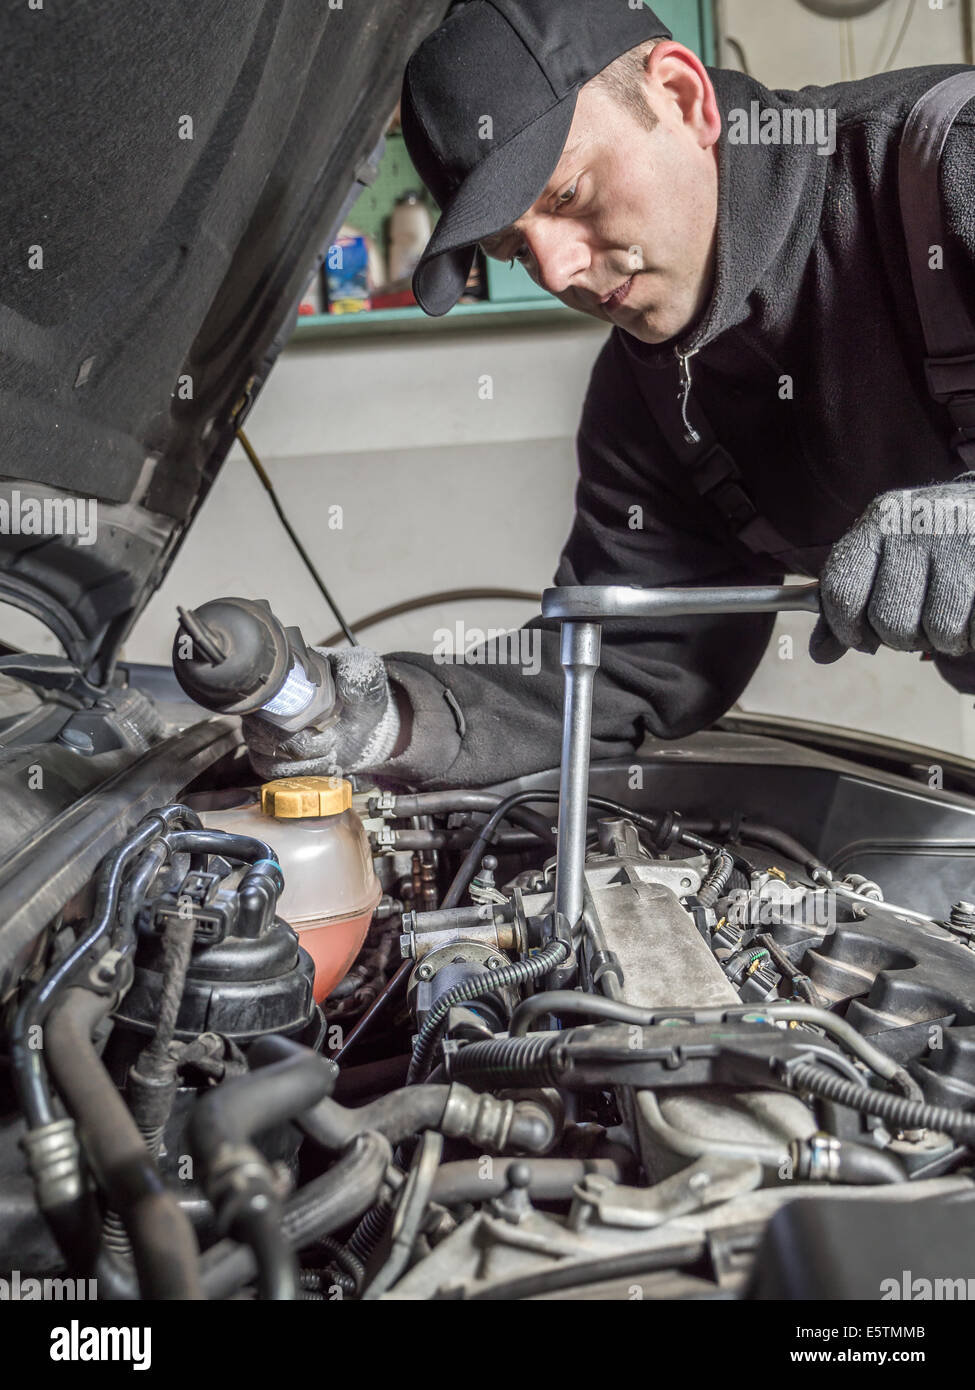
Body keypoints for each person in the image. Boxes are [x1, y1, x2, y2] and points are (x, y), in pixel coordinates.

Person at [243, 0, 975, 791]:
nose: (557, 272)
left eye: (566, 197)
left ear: (682, 97)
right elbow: (631, 654)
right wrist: (396, 721)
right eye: (514, 248)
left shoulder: (948, 165)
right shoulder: (650, 393)